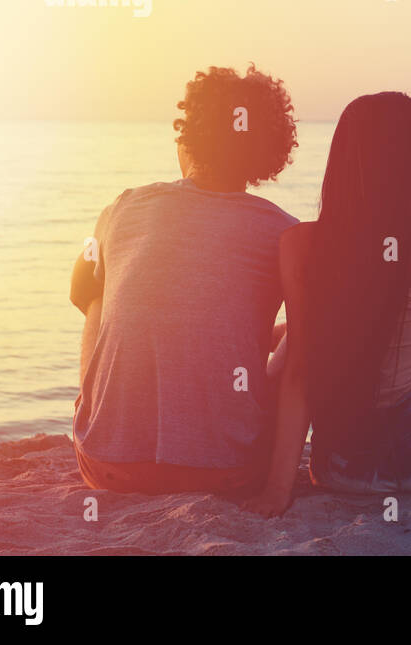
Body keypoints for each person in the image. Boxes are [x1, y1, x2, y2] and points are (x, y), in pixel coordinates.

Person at [70, 64, 299, 495]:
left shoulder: (122, 207)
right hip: (228, 471)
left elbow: (102, 298)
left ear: (188, 137)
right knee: (303, 330)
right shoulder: (285, 232)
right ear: (269, 150)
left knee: (95, 295)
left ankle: (99, 408)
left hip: (107, 467)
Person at [245, 92, 411, 516]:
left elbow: (300, 372)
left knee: (292, 345)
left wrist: (278, 491)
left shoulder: (300, 245)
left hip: (343, 470)